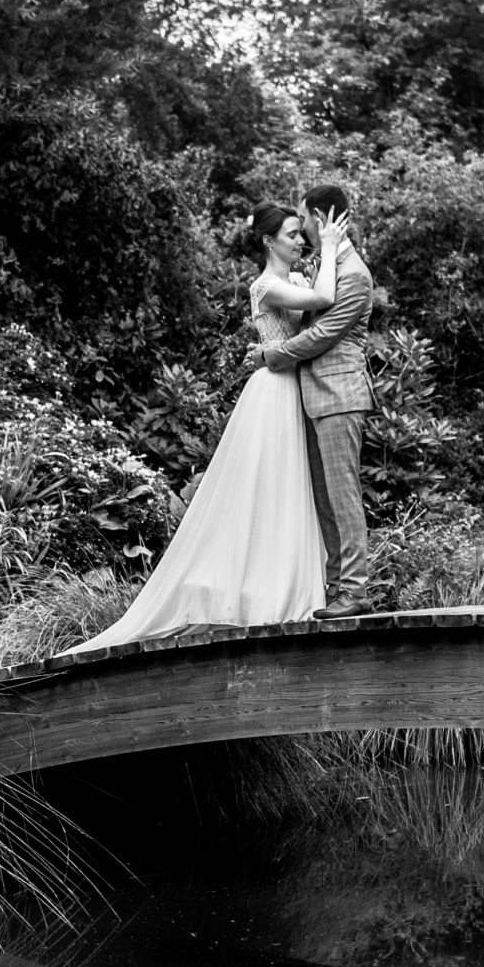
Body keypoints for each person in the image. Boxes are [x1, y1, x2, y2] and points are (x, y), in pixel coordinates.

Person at [59, 202, 346, 655]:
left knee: (293, 491)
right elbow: (325, 299)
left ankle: (294, 589)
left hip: (298, 391)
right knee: (264, 488)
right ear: (269, 241)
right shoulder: (266, 285)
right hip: (272, 393)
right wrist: (330, 247)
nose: (299, 240)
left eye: (300, 233)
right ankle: (254, 595)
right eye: (291, 234)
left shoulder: (294, 279)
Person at [245, 182, 376, 619]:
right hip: (316, 397)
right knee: (325, 500)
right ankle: (337, 587)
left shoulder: (353, 273)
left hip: (339, 394)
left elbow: (322, 334)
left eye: (305, 221)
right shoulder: (327, 265)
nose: (302, 232)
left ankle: (355, 592)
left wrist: (271, 355)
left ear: (321, 219)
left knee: (342, 495)